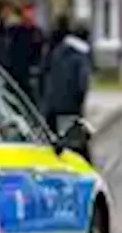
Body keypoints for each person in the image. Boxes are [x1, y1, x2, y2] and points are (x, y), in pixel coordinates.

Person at [40, 18, 93, 159]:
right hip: (71, 106)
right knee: (75, 145)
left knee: (57, 141)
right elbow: (82, 83)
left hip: (52, 103)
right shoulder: (81, 56)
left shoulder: (58, 50)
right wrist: (80, 103)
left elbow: (45, 73)